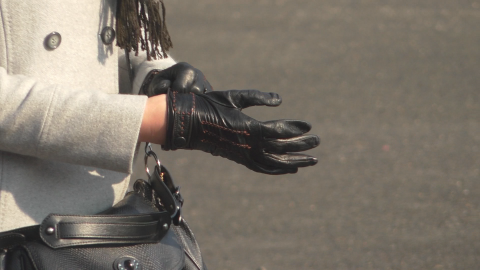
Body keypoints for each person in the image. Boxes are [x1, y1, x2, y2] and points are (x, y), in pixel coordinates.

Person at [0, 0, 318, 238]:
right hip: (16, 227)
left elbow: (113, 26)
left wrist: (153, 77)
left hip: (102, 216)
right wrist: (158, 119)